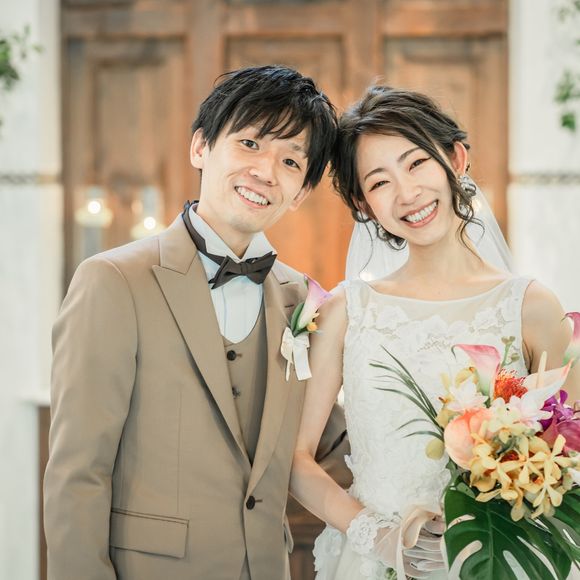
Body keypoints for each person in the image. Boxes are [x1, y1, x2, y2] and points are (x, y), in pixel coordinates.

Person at [44, 65, 349, 580]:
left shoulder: (304, 299)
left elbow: (332, 448)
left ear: (301, 192)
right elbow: (78, 474)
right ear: (201, 147)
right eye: (250, 143)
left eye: (290, 161)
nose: (266, 171)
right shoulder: (113, 281)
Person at [290, 85, 580, 579]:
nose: (407, 193)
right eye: (379, 182)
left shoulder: (530, 308)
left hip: (499, 562)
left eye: (417, 163)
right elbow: (296, 459)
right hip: (376, 564)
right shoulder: (347, 311)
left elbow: (567, 454)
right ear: (363, 203)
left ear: (456, 160)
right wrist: (378, 537)